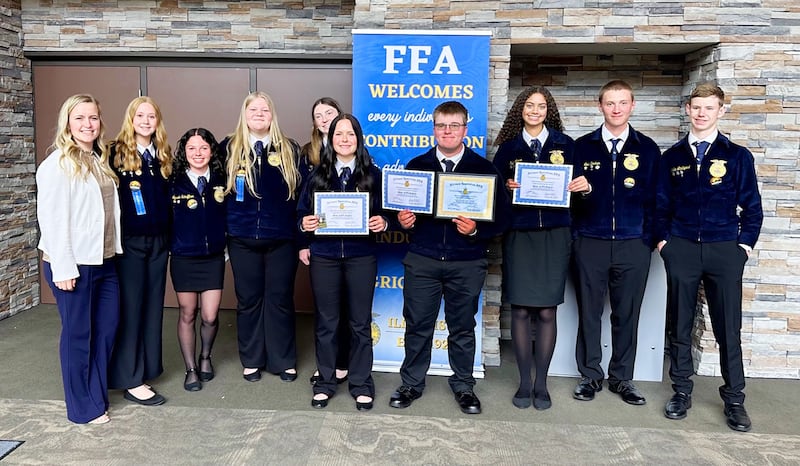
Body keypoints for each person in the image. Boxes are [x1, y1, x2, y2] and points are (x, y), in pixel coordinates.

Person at [389, 101, 510, 415]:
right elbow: (402, 213)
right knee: (417, 326)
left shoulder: (484, 169)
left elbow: (502, 219)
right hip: (423, 259)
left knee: (462, 328)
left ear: (464, 130)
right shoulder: (416, 166)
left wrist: (476, 230)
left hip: (466, 262)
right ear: (434, 129)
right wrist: (403, 222)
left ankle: (464, 386)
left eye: (454, 125)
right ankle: (411, 384)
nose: (447, 131)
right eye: (441, 125)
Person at [656, 83, 763, 432]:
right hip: (682, 248)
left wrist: (743, 247)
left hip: (724, 250)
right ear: (688, 109)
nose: (702, 113)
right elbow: (660, 206)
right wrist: (664, 243)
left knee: (728, 327)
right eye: (697, 107)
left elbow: (753, 208)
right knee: (680, 323)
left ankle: (734, 399)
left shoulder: (737, 156)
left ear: (721, 111)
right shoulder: (671, 157)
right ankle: (681, 391)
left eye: (709, 108)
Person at [493, 86, 585, 410]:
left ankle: (541, 383)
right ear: (520, 109)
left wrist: (582, 186)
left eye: (541, 106)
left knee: (547, 310)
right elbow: (492, 195)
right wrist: (506, 188)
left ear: (549, 111)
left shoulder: (566, 145)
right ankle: (523, 382)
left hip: (555, 236)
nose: (535, 111)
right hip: (520, 235)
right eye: (529, 105)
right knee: (520, 310)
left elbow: (580, 189)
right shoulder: (507, 149)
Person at [570, 80, 661, 406]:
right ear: (600, 106)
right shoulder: (582, 147)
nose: (616, 109)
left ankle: (622, 378)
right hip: (590, 242)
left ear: (632, 105)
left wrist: (648, 239)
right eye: (610, 103)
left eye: (623, 102)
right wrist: (577, 233)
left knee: (627, 314)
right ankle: (590, 375)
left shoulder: (647, 148)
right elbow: (565, 199)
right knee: (589, 313)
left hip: (632, 244)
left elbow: (658, 199)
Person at [36, 94, 122, 424]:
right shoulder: (57, 165)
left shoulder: (98, 160)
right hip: (73, 264)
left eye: (93, 118)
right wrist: (63, 267)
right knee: (78, 335)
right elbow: (52, 220)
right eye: (80, 118)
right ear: (67, 124)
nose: (88, 124)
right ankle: (82, 409)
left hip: (104, 261)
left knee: (105, 331)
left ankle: (96, 397)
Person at [298, 114, 387, 411]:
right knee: (327, 322)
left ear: (358, 139)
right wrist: (304, 224)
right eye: (339, 134)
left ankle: (361, 382)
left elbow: (388, 213)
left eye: (350, 134)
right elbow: (300, 213)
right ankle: (325, 382)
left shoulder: (373, 174)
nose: (345, 139)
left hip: (361, 256)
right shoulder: (317, 175)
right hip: (325, 257)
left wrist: (383, 222)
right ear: (330, 139)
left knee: (360, 322)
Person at [223, 91, 302, 383]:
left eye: (264, 110)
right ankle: (252, 359)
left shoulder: (290, 149)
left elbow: (302, 196)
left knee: (280, 299)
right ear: (244, 115)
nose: (259, 114)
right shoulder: (228, 148)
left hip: (282, 238)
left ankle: (283, 360)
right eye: (253, 109)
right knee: (249, 300)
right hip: (242, 238)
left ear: (272, 115)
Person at [108, 96, 171, 406]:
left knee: (152, 307)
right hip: (130, 243)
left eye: (151, 116)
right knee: (131, 309)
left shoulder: (163, 155)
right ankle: (131, 379)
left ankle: (146, 369)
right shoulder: (114, 153)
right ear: (130, 119)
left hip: (159, 242)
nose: (146, 121)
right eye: (140, 116)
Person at [169, 128, 227, 392]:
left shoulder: (221, 179)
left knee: (210, 316)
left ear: (212, 151)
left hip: (213, 257)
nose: (198, 153)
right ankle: (191, 368)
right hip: (184, 257)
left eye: (203, 148)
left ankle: (205, 356)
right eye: (191, 148)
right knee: (188, 312)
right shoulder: (173, 181)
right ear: (184, 152)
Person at [299, 97, 350, 386]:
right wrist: (303, 241)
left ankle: (343, 362)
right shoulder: (308, 153)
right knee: (326, 310)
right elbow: (302, 202)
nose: (324, 119)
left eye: (329, 113)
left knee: (349, 310)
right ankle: (326, 366)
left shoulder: (354, 149)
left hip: (352, 245)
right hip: (322, 243)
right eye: (318, 115)